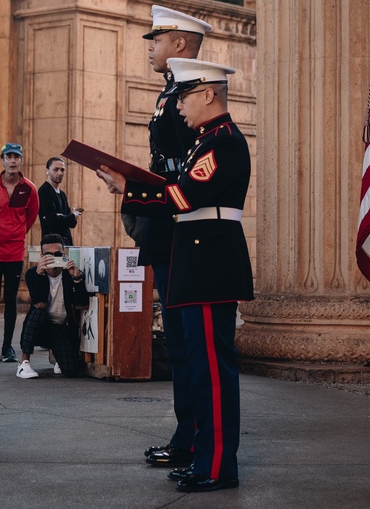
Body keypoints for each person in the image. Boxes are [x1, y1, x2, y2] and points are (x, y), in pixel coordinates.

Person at [99, 58, 253, 493]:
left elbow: (184, 197)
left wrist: (127, 188)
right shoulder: (202, 142)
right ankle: (204, 455)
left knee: (213, 371)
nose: (178, 107)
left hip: (210, 265)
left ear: (208, 95)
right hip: (197, 262)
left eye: (184, 97)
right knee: (200, 369)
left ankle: (219, 466)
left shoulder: (221, 142)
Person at [135, 5, 211, 470]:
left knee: (188, 341)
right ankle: (186, 435)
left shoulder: (190, 94)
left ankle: (196, 437)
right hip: (167, 227)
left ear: (180, 44)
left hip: (184, 227)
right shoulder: (169, 93)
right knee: (180, 342)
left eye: (157, 39)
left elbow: (187, 172)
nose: (150, 47)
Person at [0, 142, 39, 363]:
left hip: (15, 252)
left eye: (17, 156)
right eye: (9, 157)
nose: (13, 160)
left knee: (11, 299)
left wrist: (16, 234)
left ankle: (7, 347)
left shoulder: (29, 188)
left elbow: (31, 217)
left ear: (21, 160)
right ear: (2, 160)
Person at [15, 234, 90, 380]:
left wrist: (77, 279)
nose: (53, 258)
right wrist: (40, 274)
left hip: (59, 328)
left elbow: (82, 304)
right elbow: (39, 302)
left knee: (71, 370)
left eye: (58, 254)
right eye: (49, 255)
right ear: (42, 256)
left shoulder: (69, 274)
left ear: (64, 255)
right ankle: (24, 362)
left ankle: (58, 356)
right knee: (39, 311)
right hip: (39, 325)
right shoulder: (33, 274)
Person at [37, 157, 81, 247]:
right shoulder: (45, 191)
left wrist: (66, 217)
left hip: (66, 243)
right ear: (47, 171)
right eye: (56, 169)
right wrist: (72, 215)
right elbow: (52, 221)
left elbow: (72, 224)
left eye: (62, 170)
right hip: (52, 246)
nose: (60, 173)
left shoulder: (62, 194)